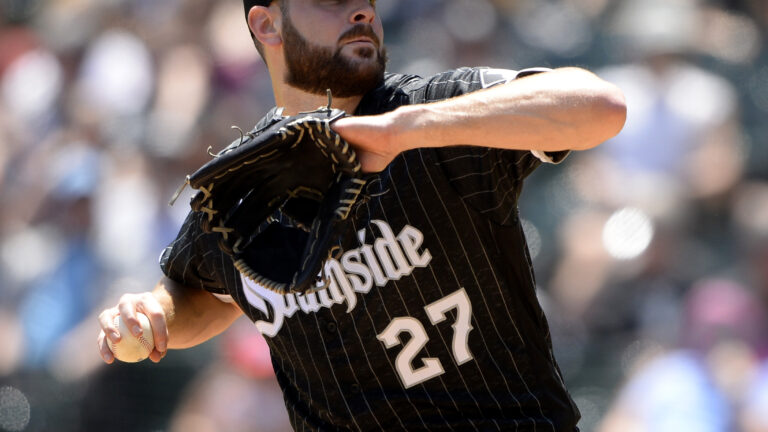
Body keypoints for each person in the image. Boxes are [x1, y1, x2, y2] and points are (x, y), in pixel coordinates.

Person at [96, 0, 626, 429]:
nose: (362, 11)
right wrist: (151, 313)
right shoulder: (247, 179)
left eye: (367, 1)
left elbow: (599, 106)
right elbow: (204, 294)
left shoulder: (430, 113)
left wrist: (406, 131)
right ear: (266, 23)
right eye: (334, 0)